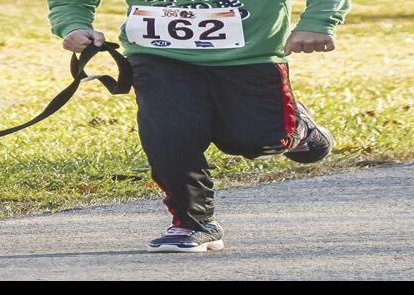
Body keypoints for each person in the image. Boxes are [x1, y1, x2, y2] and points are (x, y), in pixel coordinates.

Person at [48, 1, 351, 252]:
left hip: (250, 56)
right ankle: (193, 223)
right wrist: (73, 24)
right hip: (156, 55)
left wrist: (318, 21)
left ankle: (296, 129)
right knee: (171, 135)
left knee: (253, 138)